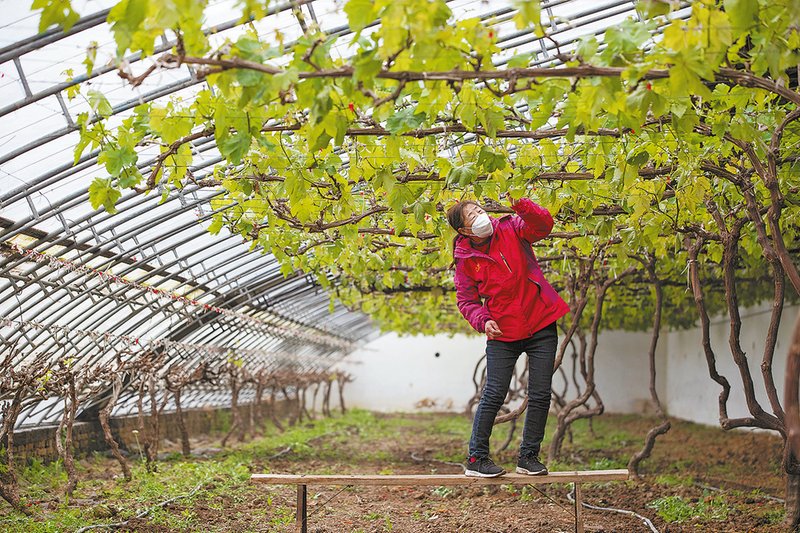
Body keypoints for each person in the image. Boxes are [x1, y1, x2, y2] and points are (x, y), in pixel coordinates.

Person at [447, 195, 569, 478]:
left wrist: (523, 205)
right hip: (502, 331)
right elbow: (466, 300)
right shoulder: (465, 260)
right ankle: (476, 459)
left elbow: (543, 226)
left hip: (540, 323)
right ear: (464, 231)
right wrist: (483, 319)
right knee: (493, 394)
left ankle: (528, 456)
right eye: (472, 215)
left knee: (539, 395)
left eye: (480, 210)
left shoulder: (512, 227)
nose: (480, 215)